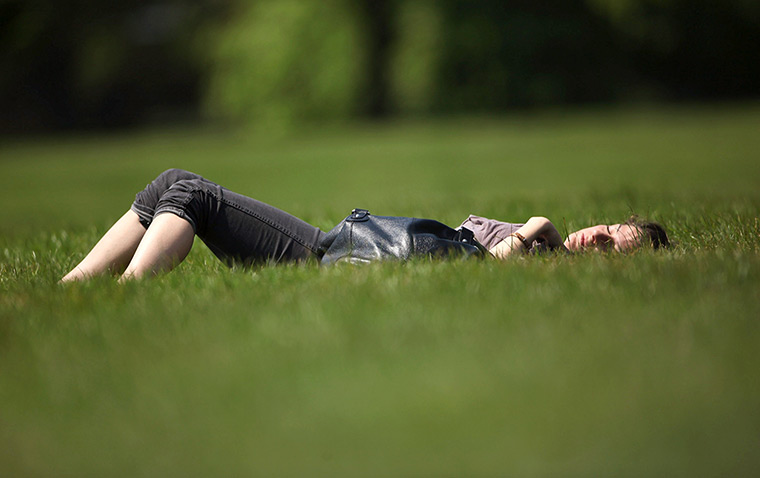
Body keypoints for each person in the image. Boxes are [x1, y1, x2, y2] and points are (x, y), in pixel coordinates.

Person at [60, 169, 669, 282]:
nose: (603, 234)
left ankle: (125, 296)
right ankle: (73, 290)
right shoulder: (556, 251)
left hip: (334, 258)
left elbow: (486, 267)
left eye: (618, 244)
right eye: (613, 227)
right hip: (336, 250)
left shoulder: (548, 265)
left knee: (190, 193)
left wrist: (533, 231)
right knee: (172, 184)